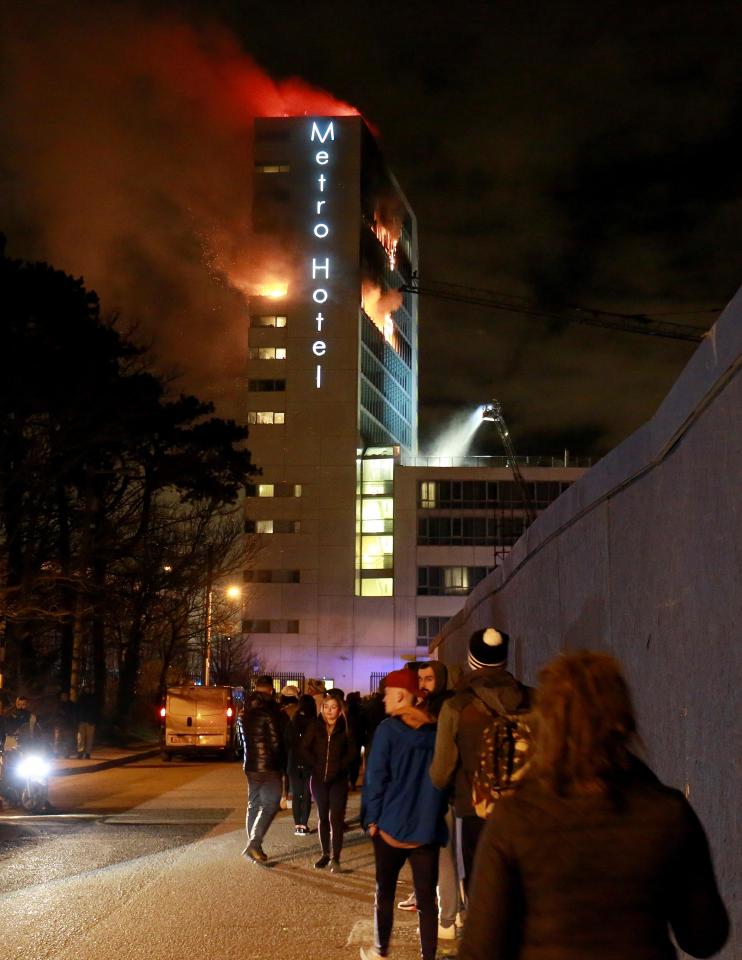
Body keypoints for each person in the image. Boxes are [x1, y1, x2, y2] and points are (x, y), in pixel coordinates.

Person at [459, 650, 729, 960]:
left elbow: (482, 949)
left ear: (546, 723)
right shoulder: (667, 812)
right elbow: (704, 936)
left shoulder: (515, 819)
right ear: (623, 719)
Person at [429, 627, 530, 896]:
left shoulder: (456, 707)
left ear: (471, 660)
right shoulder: (534, 700)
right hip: (528, 810)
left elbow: (440, 773)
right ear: (505, 661)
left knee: (480, 891)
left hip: (475, 809)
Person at [360, 669, 447, 960]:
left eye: (387, 693)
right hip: (426, 829)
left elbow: (375, 778)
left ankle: (380, 951)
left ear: (400, 695)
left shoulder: (387, 730)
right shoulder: (436, 733)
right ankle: (428, 956)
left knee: (384, 894)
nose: (384, 698)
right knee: (426, 901)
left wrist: (372, 820)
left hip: (390, 828)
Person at [398, 660, 462, 943]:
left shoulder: (443, 708)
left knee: (443, 859)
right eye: (420, 679)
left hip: (439, 792)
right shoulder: (432, 706)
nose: (423, 684)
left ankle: (447, 919)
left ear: (441, 680)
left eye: (428, 679)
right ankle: (451, 913)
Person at [301, 691, 354, 872]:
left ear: (339, 710)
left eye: (333, 707)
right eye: (326, 707)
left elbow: (353, 752)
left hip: (338, 780)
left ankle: (336, 858)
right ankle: (325, 853)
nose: (329, 711)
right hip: (318, 779)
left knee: (336, 818)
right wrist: (315, 765)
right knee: (323, 816)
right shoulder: (315, 726)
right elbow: (304, 748)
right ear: (321, 708)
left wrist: (340, 766)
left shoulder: (345, 727)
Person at [236, 675, 287, 863]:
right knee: (271, 804)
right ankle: (254, 844)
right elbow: (276, 741)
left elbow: (240, 740)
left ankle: (254, 846)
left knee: (254, 804)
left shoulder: (244, 711)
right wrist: (282, 764)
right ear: (271, 690)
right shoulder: (270, 711)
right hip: (269, 765)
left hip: (250, 764)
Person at [285, 693, 316, 835]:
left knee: (297, 794)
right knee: (307, 794)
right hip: (309, 762)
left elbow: (286, 742)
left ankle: (297, 826)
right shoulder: (314, 723)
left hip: (293, 761)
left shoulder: (292, 721)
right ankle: (304, 824)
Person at [76, 686, 98, 759]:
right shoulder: (80, 698)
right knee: (81, 737)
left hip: (90, 721)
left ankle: (87, 753)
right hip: (82, 720)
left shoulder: (93, 698)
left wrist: (94, 719)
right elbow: (77, 709)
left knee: (89, 738)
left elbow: (96, 710)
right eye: (86, 688)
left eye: (88, 688)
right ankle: (80, 752)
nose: (87, 689)